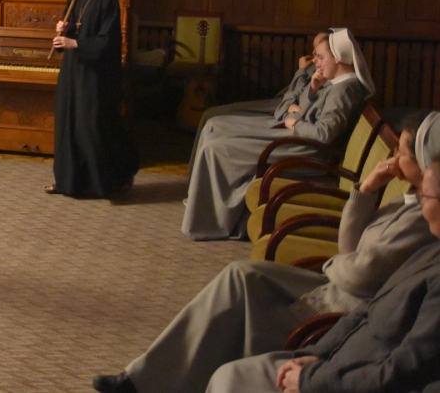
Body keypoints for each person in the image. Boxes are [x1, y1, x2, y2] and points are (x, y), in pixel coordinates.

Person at [92, 111, 438, 393]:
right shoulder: (408, 199)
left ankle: (178, 382)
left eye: (401, 154)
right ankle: (140, 379)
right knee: (240, 275)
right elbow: (350, 248)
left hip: (341, 303)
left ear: (426, 165)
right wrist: (366, 190)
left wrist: (340, 263)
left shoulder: (424, 219)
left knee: (244, 312)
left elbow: (361, 275)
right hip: (336, 283)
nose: (393, 159)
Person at [202, 155, 440, 393]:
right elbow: (366, 309)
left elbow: (399, 374)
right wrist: (317, 354)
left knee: (231, 380)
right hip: (332, 364)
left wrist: (309, 381)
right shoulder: (431, 251)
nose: (419, 202)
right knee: (230, 371)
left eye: (425, 196)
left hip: (343, 380)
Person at [183, 28, 372, 240]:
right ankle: (205, 210)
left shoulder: (345, 89)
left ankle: (211, 222)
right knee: (215, 137)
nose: (316, 62)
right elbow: (309, 112)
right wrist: (311, 92)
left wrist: (296, 123)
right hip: (299, 139)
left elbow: (324, 133)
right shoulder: (336, 82)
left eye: (320, 57)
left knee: (216, 148)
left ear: (337, 57)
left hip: (307, 149)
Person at [45, 0, 138, 198]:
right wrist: (62, 30)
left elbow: (109, 41)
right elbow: (72, 30)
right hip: (73, 70)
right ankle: (69, 182)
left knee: (92, 127)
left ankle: (107, 183)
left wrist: (74, 43)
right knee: (68, 125)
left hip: (96, 75)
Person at [187, 33, 328, 172]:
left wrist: (293, 110)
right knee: (211, 121)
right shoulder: (316, 70)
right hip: (284, 111)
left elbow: (309, 115)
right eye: (314, 49)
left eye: (319, 53)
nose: (313, 55)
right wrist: (292, 103)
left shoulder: (329, 80)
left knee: (213, 138)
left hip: (290, 128)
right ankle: (194, 175)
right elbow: (294, 98)